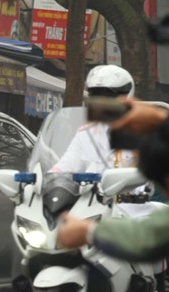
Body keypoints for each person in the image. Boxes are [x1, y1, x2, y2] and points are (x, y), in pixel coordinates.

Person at [58, 98, 169, 262]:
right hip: (94, 207)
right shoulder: (84, 134)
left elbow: (151, 236)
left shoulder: (144, 135)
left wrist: (88, 232)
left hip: (134, 211)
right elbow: (64, 166)